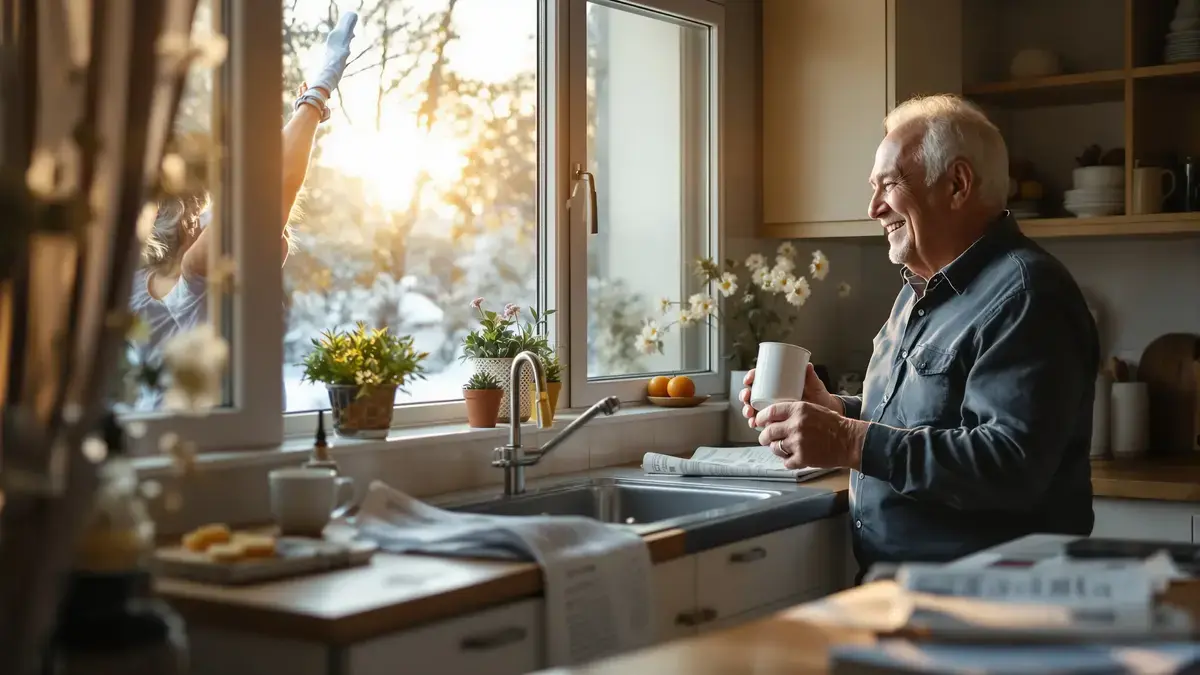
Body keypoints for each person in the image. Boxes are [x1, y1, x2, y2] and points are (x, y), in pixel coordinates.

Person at [740, 94, 1099, 576]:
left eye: (889, 184)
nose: (873, 208)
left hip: (988, 603)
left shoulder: (1027, 295)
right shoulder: (920, 288)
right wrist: (834, 411)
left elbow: (1009, 465)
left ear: (957, 184)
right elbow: (923, 415)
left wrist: (848, 439)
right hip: (907, 586)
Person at [128, 12, 359, 409]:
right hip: (225, 449)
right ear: (187, 218)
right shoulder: (198, 276)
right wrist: (318, 92)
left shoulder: (131, 289)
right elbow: (271, 188)